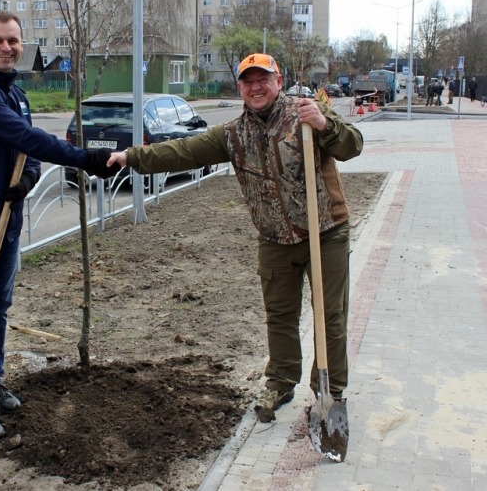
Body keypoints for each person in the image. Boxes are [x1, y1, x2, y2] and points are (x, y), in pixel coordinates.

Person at [107, 53, 363, 422]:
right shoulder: (232, 134)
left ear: (278, 81)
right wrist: (131, 157)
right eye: (248, 81)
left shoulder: (307, 113)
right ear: (240, 87)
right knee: (279, 315)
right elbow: (183, 152)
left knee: (330, 317)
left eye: (263, 79)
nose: (256, 87)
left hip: (325, 232)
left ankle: (331, 390)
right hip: (275, 238)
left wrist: (325, 125)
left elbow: (352, 146)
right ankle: (280, 380)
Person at [0, 9, 119, 441]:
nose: (6, 48)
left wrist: (29, 178)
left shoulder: (16, 95)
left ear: (22, 45)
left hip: (7, 222)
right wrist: (87, 158)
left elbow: (30, 152)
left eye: (13, 41)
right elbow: (27, 138)